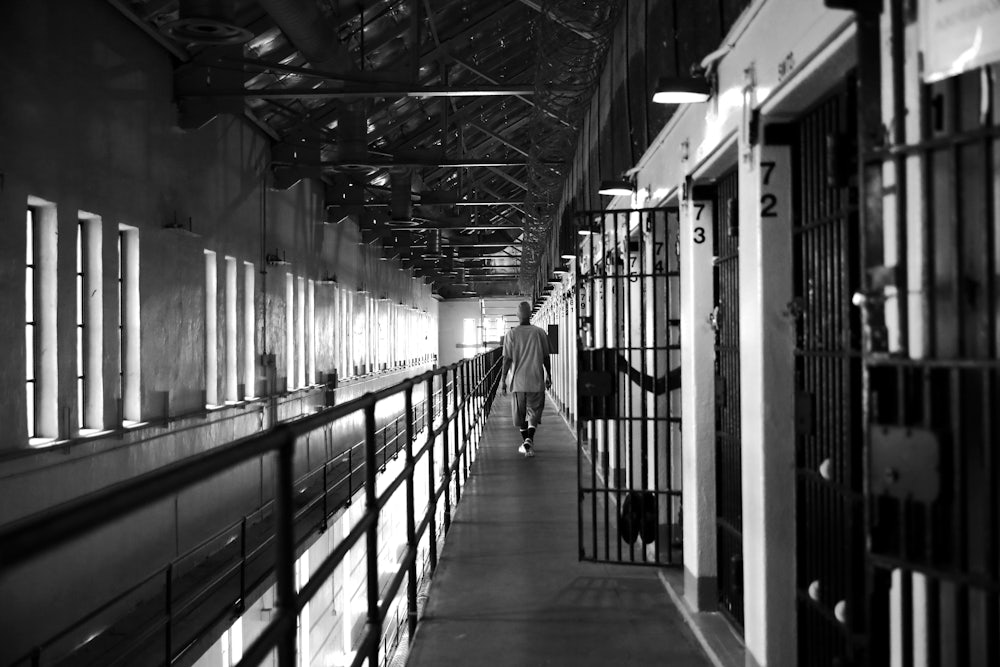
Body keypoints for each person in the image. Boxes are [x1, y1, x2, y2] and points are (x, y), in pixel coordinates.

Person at [501, 302, 551, 457]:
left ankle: (527, 443)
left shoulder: (511, 334)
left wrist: (503, 380)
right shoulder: (540, 332)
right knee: (534, 412)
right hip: (536, 380)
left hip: (518, 383)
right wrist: (549, 374)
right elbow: (546, 357)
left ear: (517, 315)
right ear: (530, 314)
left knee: (521, 415)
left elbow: (506, 360)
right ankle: (529, 440)